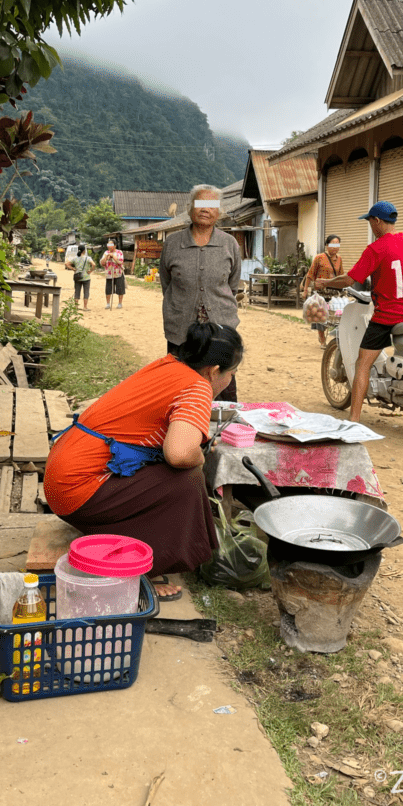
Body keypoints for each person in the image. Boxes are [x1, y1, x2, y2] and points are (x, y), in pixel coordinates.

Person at [44, 322, 244, 599]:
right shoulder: (198, 386)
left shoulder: (168, 365)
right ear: (213, 371)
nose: (230, 380)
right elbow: (180, 453)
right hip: (77, 493)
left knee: (177, 471)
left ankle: (135, 547)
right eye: (231, 374)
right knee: (188, 478)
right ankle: (142, 569)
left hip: (61, 479)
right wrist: (199, 454)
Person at [317, 201, 403, 424]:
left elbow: (350, 279)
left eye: (369, 221)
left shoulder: (376, 248)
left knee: (362, 364)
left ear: (377, 221)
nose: (370, 226)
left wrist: (325, 282)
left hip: (387, 317)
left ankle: (354, 418)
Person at [159, 185, 241, 401]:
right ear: (190, 208)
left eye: (212, 205)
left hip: (221, 327)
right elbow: (167, 284)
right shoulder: (173, 243)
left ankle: (225, 433)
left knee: (222, 388)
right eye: (200, 204)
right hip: (180, 329)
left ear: (220, 212)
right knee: (179, 387)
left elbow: (232, 286)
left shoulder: (229, 243)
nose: (206, 209)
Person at [303, 234, 344, 347]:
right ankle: (322, 338)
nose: (335, 247)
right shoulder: (319, 258)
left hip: (334, 292)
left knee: (336, 315)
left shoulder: (339, 259)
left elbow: (341, 275)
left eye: (337, 244)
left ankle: (336, 339)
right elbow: (310, 275)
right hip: (321, 292)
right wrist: (305, 290)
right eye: (332, 244)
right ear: (326, 245)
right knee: (321, 315)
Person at [65, 244, 95, 310]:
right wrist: (90, 270)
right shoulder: (88, 258)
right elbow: (94, 264)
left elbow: (66, 264)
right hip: (86, 277)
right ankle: (85, 307)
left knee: (77, 291)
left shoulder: (75, 258)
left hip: (77, 277)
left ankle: (76, 307)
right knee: (86, 292)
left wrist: (73, 269)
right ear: (84, 251)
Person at [100, 239, 126, 309]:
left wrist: (113, 256)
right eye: (108, 245)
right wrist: (106, 257)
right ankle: (108, 304)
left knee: (120, 289)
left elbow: (120, 262)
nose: (109, 246)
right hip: (109, 273)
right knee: (108, 289)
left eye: (111, 245)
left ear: (115, 245)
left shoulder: (119, 252)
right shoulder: (106, 252)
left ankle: (120, 303)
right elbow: (102, 263)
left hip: (118, 273)